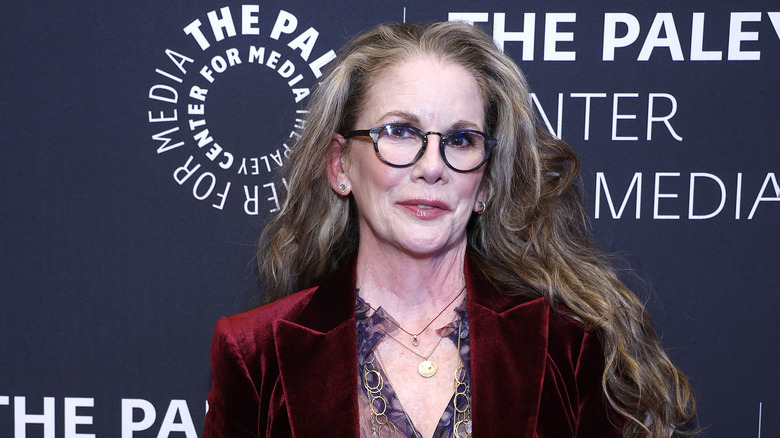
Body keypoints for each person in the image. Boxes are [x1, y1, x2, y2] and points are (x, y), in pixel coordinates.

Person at [203, 21, 695, 438]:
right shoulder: (255, 352)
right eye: (400, 132)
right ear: (340, 166)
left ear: (484, 183)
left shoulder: (566, 344)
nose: (432, 167)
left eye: (460, 140)